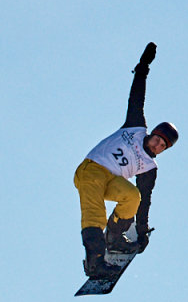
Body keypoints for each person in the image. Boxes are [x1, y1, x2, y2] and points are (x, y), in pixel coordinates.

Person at [74, 42, 178, 276]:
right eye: (157, 139)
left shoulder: (149, 167)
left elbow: (145, 201)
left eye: (163, 146)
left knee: (133, 196)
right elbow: (136, 96)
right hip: (91, 171)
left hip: (110, 179)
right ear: (151, 134)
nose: (157, 145)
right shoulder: (135, 127)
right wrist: (143, 67)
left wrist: (141, 233)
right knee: (95, 215)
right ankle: (95, 262)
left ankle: (114, 237)